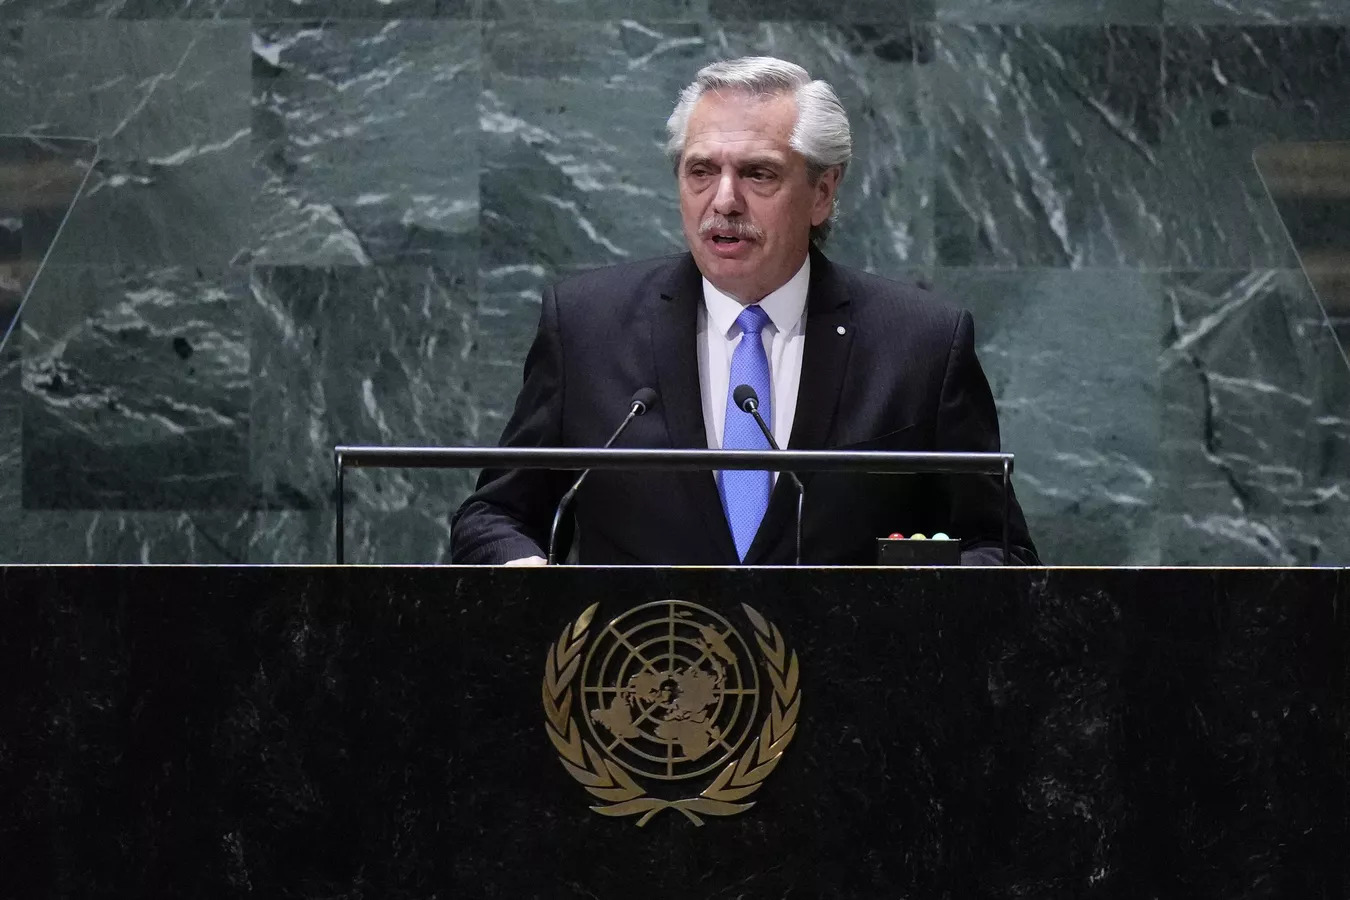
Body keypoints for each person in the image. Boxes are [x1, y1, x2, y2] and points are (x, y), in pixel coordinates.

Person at [451, 57, 1038, 566]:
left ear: (823, 192)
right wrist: (527, 575)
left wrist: (912, 595)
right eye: (701, 171)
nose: (724, 201)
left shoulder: (920, 345)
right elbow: (494, 516)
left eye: (758, 173)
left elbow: (1000, 546)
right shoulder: (586, 327)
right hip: (648, 681)